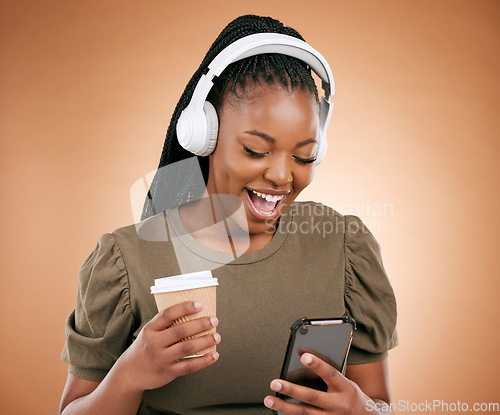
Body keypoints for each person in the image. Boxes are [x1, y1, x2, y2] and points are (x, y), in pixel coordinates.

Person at [59, 14, 397, 415]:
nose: (281, 175)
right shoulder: (125, 261)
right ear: (204, 134)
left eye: (304, 156)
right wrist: (129, 374)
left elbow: (379, 406)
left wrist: (362, 411)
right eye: (256, 151)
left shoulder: (343, 248)